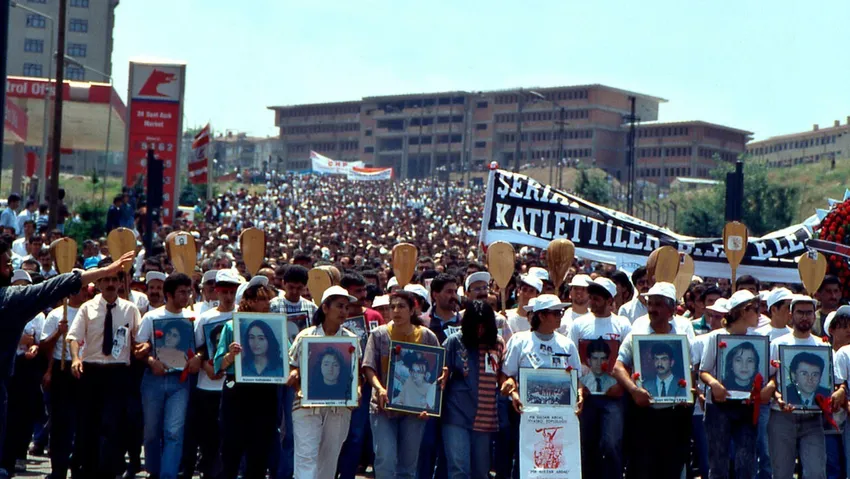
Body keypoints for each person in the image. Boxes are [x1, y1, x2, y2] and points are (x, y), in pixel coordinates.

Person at [66, 256, 142, 479]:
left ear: (120, 283)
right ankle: (86, 469)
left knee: (113, 425)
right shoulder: (87, 309)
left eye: (114, 280)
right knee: (88, 425)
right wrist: (75, 358)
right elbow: (73, 337)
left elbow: (138, 339)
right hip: (92, 371)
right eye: (105, 279)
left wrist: (143, 347)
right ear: (98, 284)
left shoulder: (130, 310)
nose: (110, 284)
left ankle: (108, 472)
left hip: (118, 374)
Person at [612, 282, 695, 479]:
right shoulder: (637, 331)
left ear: (672, 309)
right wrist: (634, 391)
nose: (652, 309)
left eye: (658, 304)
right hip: (644, 415)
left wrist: (688, 393)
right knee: (641, 469)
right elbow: (618, 367)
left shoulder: (682, 335)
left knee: (671, 469)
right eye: (650, 303)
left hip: (675, 418)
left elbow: (690, 371)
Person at [502, 294, 583, 476]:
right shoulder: (520, 341)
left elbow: (577, 379)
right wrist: (513, 391)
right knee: (526, 462)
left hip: (559, 416)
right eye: (556, 312)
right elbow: (507, 375)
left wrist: (580, 394)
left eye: (560, 312)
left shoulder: (567, 344)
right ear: (541, 316)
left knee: (558, 463)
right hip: (527, 414)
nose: (560, 316)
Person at [362, 291, 440, 478]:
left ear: (413, 310)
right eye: (392, 306)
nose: (396, 311)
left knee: (408, 465)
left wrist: (429, 403)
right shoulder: (379, 334)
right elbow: (368, 367)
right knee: (385, 458)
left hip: (414, 409)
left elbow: (436, 369)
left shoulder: (427, 336)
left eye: (402, 306)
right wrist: (379, 388)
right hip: (382, 406)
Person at [288, 285, 361, 478]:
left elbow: (355, 374)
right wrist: (295, 379)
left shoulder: (352, 340)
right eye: (339, 306)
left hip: (339, 408)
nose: (344, 311)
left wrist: (358, 390)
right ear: (325, 308)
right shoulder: (305, 336)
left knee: (329, 461)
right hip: (306, 406)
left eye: (346, 307)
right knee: (305, 459)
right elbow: (292, 365)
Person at [761, 295, 837, 479]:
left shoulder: (823, 346)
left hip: (813, 418)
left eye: (809, 313)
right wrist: (777, 397)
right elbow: (769, 378)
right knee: (781, 473)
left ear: (814, 315)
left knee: (816, 472)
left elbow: (831, 382)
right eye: (800, 312)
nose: (805, 317)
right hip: (782, 417)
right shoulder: (778, 344)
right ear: (791, 315)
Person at [135, 273, 199, 479]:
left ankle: (168, 475)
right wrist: (151, 361)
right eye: (182, 292)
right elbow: (138, 348)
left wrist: (197, 358)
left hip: (180, 382)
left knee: (174, 432)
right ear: (169, 294)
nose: (186, 296)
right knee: (152, 433)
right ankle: (154, 471)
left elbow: (200, 347)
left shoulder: (192, 318)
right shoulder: (151, 317)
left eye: (188, 292)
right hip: (153, 380)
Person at [214, 278, 280, 479]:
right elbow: (218, 364)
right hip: (237, 391)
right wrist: (230, 355)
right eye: (262, 299)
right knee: (232, 445)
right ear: (249, 300)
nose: (267, 303)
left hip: (265, 392)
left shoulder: (276, 326)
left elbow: (284, 357)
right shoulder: (231, 326)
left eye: (268, 299)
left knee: (260, 447)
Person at [567, 277, 630, 479]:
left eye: (597, 299)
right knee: (587, 444)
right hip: (587, 396)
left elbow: (629, 358)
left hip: (614, 396)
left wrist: (621, 386)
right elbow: (571, 359)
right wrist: (578, 388)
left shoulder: (622, 324)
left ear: (609, 300)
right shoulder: (578, 325)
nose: (592, 302)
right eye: (591, 298)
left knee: (611, 444)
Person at [698, 289, 761, 479]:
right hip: (718, 406)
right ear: (743, 312)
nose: (759, 315)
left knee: (746, 462)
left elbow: (763, 373)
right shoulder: (714, 337)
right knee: (718, 461)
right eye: (756, 310)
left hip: (747, 406)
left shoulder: (757, 339)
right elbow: (703, 371)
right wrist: (714, 384)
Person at [183, 269, 239, 479]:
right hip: (207, 386)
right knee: (208, 439)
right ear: (216, 291)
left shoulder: (241, 316)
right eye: (224, 291)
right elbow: (197, 348)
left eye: (232, 291)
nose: (228, 296)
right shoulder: (205, 318)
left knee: (230, 439)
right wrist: (208, 367)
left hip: (233, 385)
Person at [440, 300, 505, 479]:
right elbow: (440, 370)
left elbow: (503, 375)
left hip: (486, 418)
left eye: (484, 327)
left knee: (481, 472)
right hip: (457, 414)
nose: (479, 331)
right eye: (475, 326)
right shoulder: (454, 341)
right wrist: (443, 375)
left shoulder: (498, 344)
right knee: (459, 470)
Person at [40, 284, 90, 479]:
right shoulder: (56, 315)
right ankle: (58, 469)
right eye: (82, 289)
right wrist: (59, 332)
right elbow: (45, 346)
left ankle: (79, 467)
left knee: (83, 422)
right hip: (63, 369)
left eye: (87, 289)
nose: (86, 293)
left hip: (85, 369)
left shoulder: (90, 311)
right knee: (61, 423)